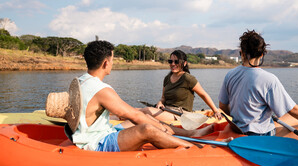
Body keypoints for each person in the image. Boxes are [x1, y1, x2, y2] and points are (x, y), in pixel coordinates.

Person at [69, 40, 214, 152]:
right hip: (97, 143)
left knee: (148, 119)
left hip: (96, 134)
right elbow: (134, 115)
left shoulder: (81, 80)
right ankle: (193, 147)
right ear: (106, 63)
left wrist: (158, 125)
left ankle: (191, 133)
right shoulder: (102, 89)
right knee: (147, 128)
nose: (112, 64)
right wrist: (159, 128)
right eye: (112, 60)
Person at [218, 30, 298, 140]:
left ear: (241, 53)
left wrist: (242, 117)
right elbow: (294, 110)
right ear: (262, 55)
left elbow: (223, 106)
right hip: (261, 136)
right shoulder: (268, 79)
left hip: (238, 128)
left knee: (291, 118)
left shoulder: (230, 75)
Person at [141, 50, 222, 123]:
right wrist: (160, 103)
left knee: (145, 111)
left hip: (181, 114)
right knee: (134, 111)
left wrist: (215, 111)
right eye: (170, 61)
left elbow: (204, 95)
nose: (172, 64)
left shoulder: (188, 78)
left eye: (176, 62)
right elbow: (163, 98)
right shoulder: (167, 78)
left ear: (184, 63)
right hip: (166, 110)